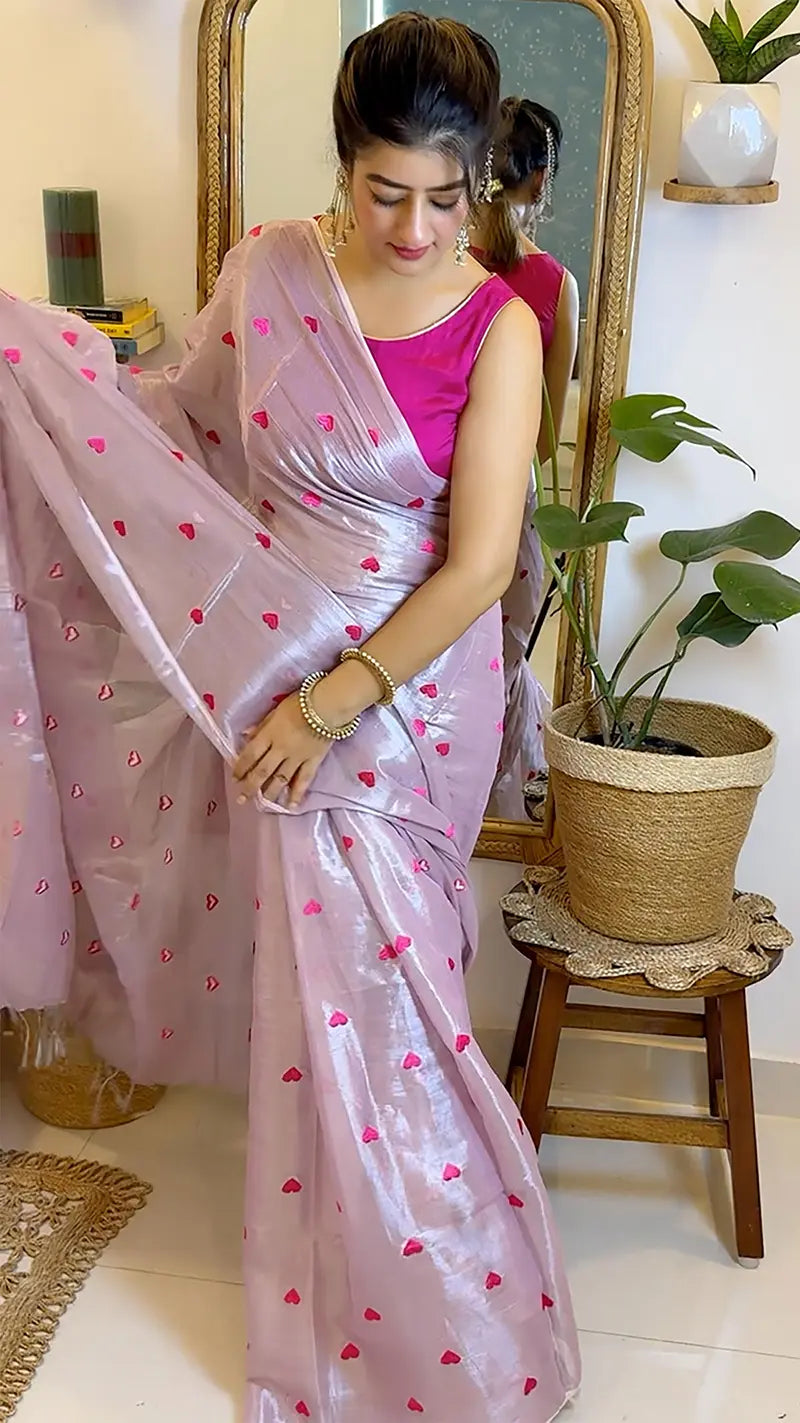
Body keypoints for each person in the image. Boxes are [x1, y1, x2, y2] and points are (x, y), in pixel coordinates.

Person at [0, 14, 579, 1421]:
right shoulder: (267, 273)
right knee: (321, 1004)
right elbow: (184, 427)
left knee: (401, 1001)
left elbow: (483, 564)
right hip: (270, 664)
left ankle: (451, 1335)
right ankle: (333, 1288)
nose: (421, 225)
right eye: (389, 191)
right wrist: (47, 379)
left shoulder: (497, 321)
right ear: (344, 163)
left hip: (399, 693)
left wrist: (334, 703)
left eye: (451, 196)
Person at [470, 97, 580, 463]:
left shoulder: (433, 258)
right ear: (541, 180)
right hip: (509, 493)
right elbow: (544, 446)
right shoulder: (560, 286)